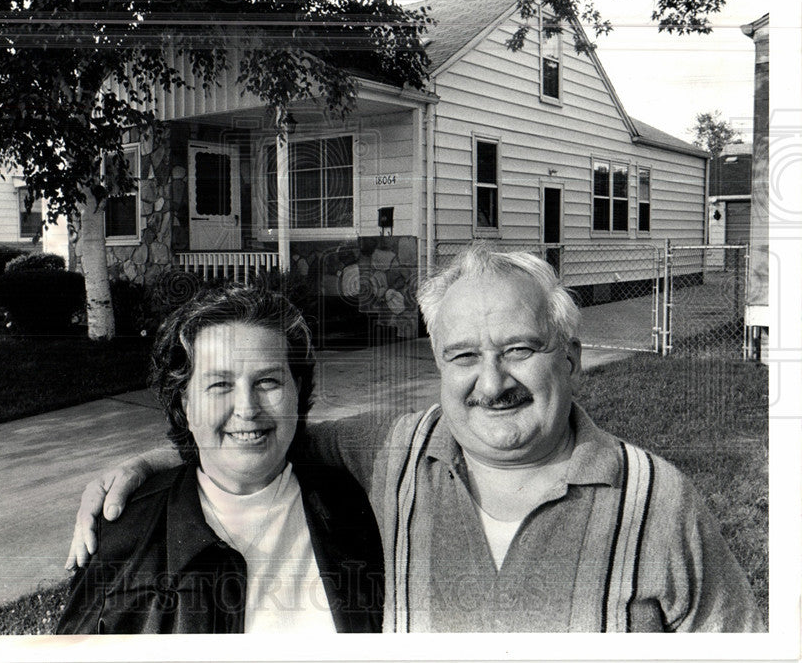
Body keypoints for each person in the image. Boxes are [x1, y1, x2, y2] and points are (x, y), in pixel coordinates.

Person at [67, 245, 764, 633]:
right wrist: (161, 458)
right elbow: (260, 438)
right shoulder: (398, 455)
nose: (492, 383)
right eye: (463, 356)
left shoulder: (658, 501)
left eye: (519, 348)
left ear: (571, 357)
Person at [57, 285, 383, 634]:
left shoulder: (356, 509)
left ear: (297, 390)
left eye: (268, 381)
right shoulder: (126, 537)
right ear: (186, 404)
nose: (247, 408)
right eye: (220, 385)